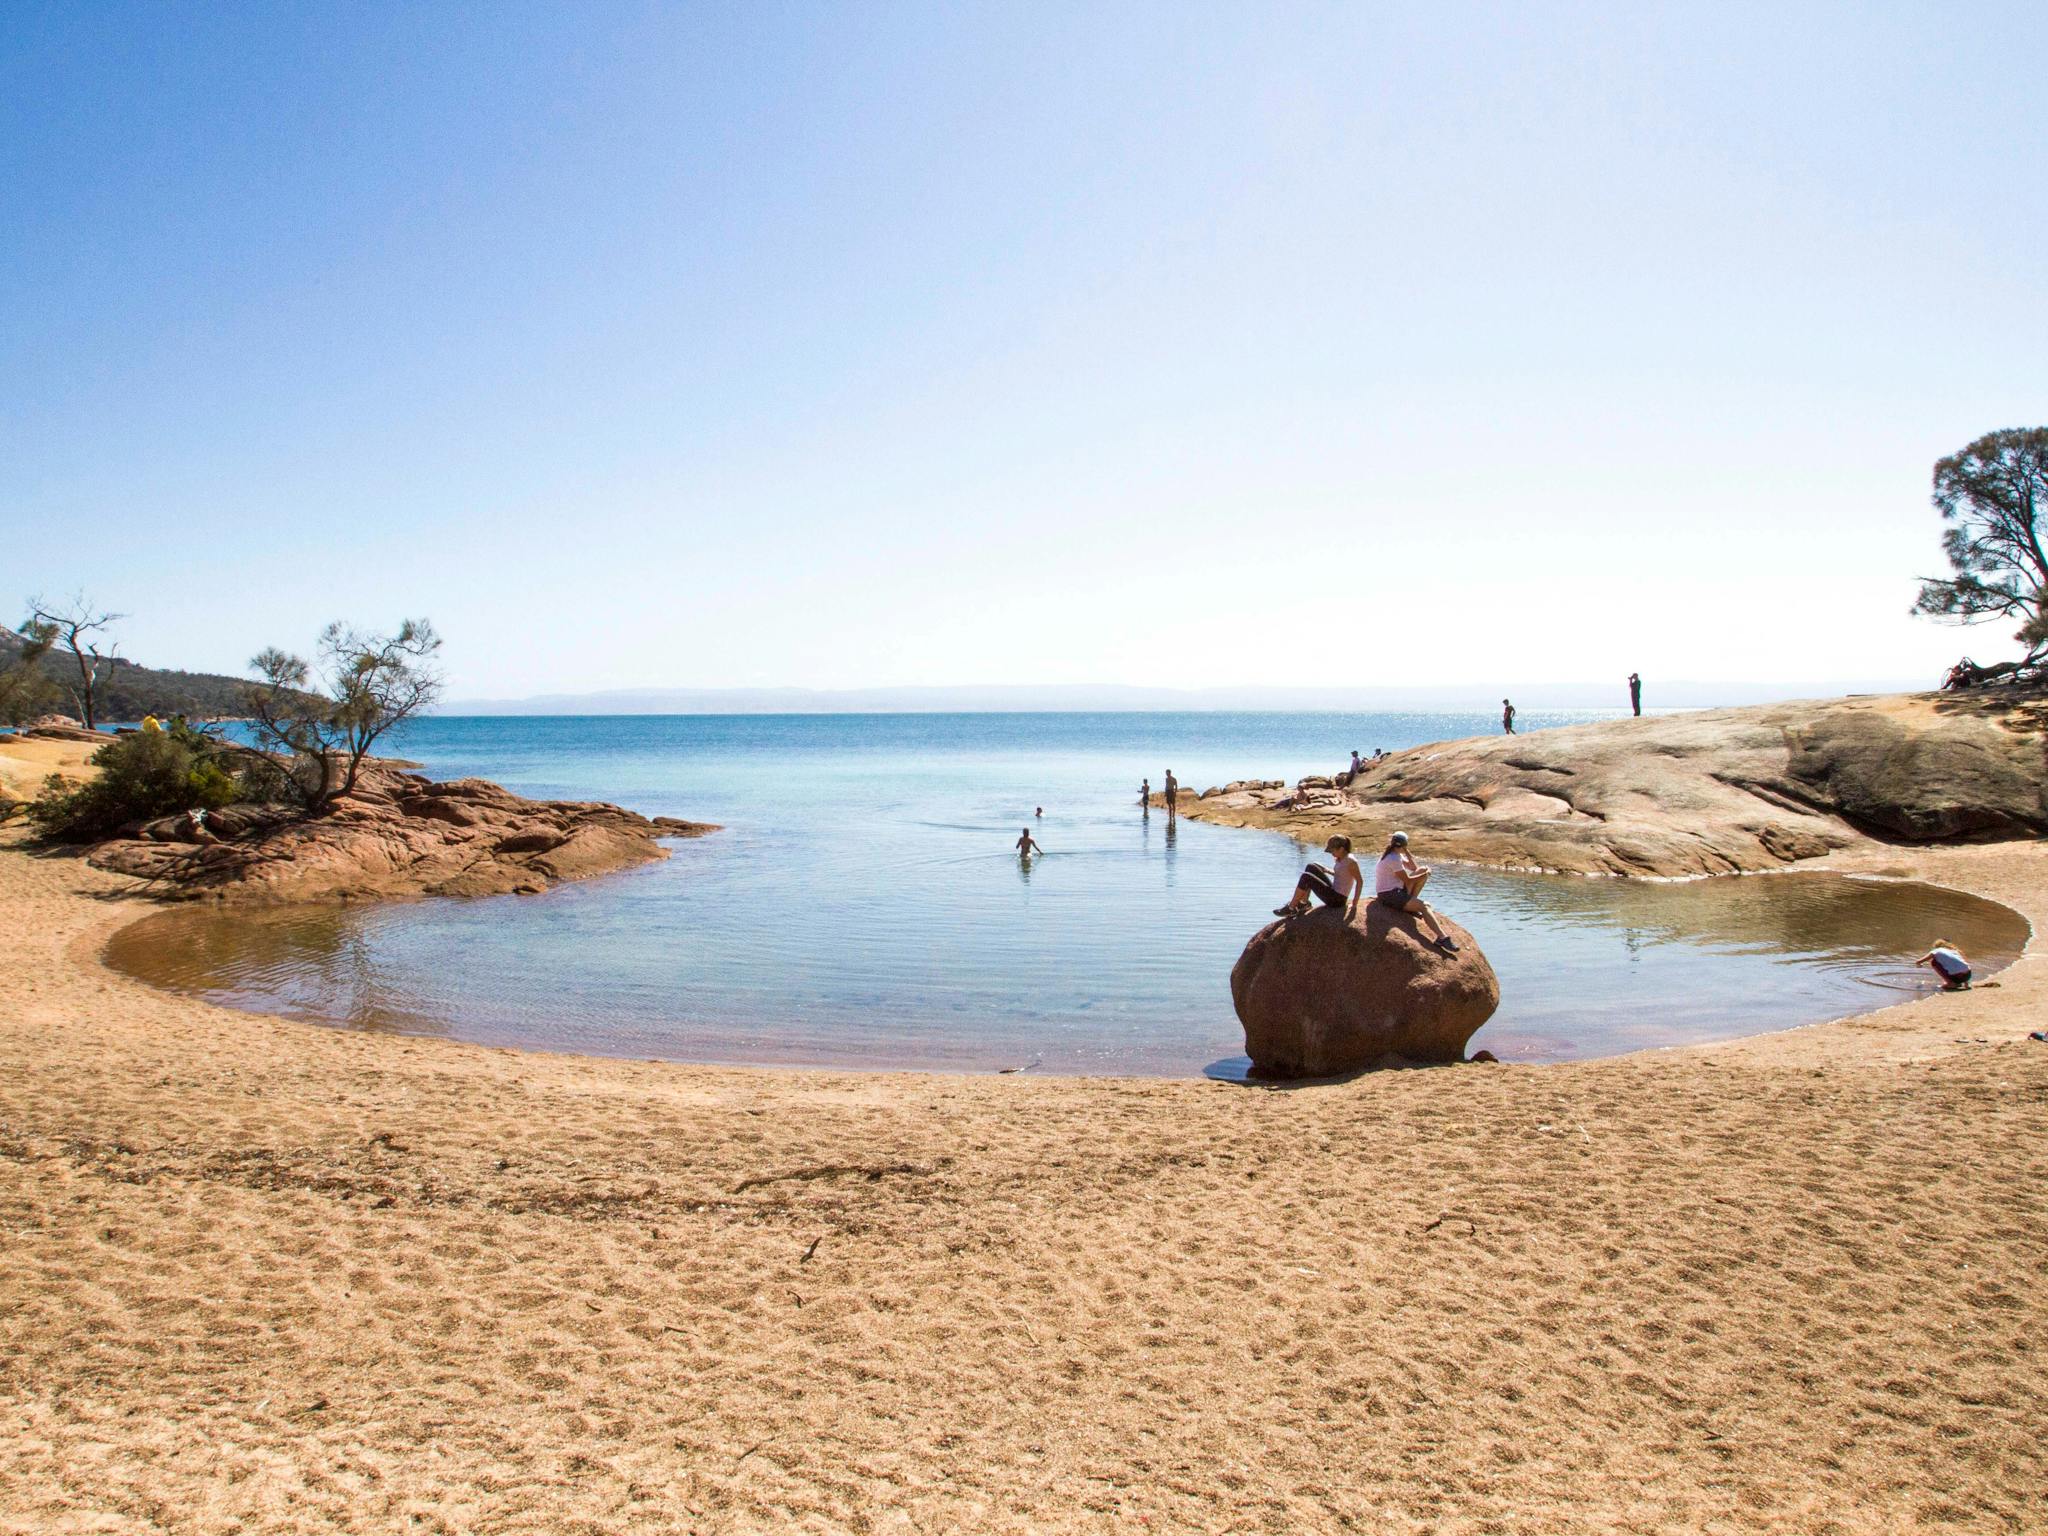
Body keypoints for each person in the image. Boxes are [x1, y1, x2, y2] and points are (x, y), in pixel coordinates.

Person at [1374, 831, 1459, 951]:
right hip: (1389, 895)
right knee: (1424, 906)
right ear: (1404, 844)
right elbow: (1408, 881)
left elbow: (1414, 868)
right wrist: (1426, 874)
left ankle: (1411, 904)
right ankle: (1442, 938)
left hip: (1396, 891)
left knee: (1422, 870)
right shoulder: (1393, 858)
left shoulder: (1395, 854)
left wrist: (1408, 853)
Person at [1274, 834, 1363, 919]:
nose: (1331, 853)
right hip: (1334, 891)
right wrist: (1326, 870)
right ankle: (1304, 903)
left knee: (1306, 877)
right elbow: (1343, 875)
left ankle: (1291, 908)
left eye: (1332, 851)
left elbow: (1359, 881)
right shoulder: (1341, 858)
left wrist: (1355, 902)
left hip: (1337, 900)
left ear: (1341, 849)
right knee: (1311, 867)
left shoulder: (1351, 862)